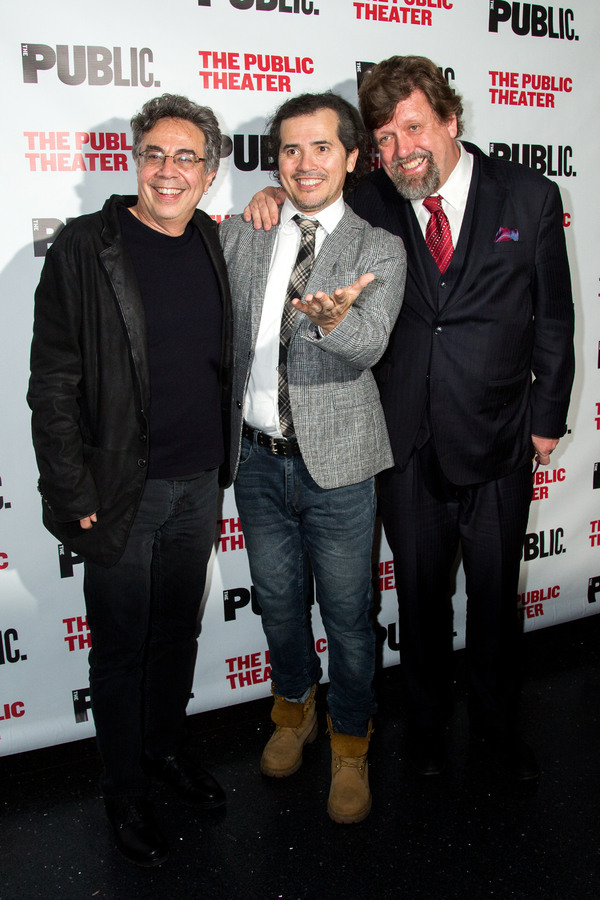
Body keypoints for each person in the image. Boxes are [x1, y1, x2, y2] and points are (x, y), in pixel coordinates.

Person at [244, 57, 575, 782]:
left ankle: (494, 728)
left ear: (450, 121)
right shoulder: (374, 196)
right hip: (404, 440)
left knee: (494, 601)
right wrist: (271, 192)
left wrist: (546, 417)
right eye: (386, 137)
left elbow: (554, 319)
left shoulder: (529, 195)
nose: (401, 149)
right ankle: (425, 727)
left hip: (498, 436)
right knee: (420, 603)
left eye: (414, 128)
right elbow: (312, 189)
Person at [28, 94, 233, 866]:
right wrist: (74, 494)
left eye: (187, 157)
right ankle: (123, 787)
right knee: (119, 647)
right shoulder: (87, 247)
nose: (169, 169)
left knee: (177, 629)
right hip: (120, 491)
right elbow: (52, 382)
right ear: (133, 162)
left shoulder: (216, 243)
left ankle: (164, 751)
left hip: (200, 480)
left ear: (209, 174)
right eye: (155, 153)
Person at [220, 92, 406, 823]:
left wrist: (334, 323)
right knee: (278, 605)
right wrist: (262, 202)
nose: (304, 163)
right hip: (257, 463)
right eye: (290, 150)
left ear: (352, 157)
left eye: (321, 147)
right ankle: (292, 713)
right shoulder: (248, 233)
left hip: (341, 467)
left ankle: (351, 743)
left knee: (351, 616)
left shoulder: (377, 246)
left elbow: (371, 344)